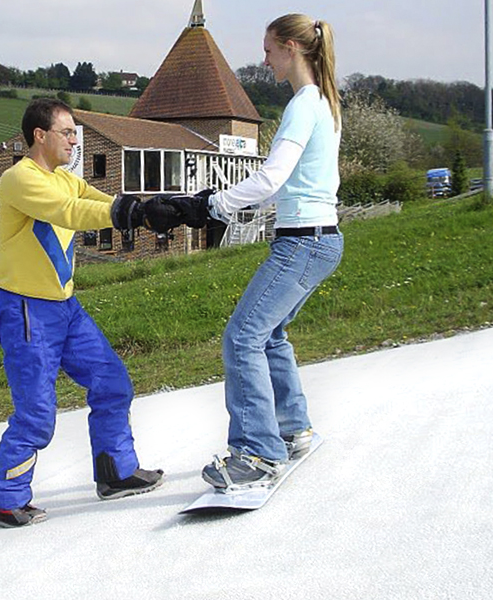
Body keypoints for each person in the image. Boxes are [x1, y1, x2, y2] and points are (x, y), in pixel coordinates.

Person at [161, 14, 344, 491]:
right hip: (320, 239)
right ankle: (293, 429)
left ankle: (257, 454)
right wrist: (217, 204)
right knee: (270, 335)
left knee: (242, 338)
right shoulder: (324, 102)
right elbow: (287, 185)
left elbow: (271, 178)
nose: (264, 61)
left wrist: (213, 205)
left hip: (303, 242)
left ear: (290, 48)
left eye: (268, 50)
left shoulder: (304, 105)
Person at [0, 98, 174, 528]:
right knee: (37, 414)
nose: (74, 140)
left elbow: (101, 202)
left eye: (75, 133)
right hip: (26, 309)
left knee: (112, 383)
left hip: (65, 307)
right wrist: (127, 213)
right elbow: (69, 212)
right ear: (40, 135)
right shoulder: (19, 179)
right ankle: (5, 500)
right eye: (67, 132)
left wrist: (151, 211)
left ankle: (116, 472)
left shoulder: (65, 179)